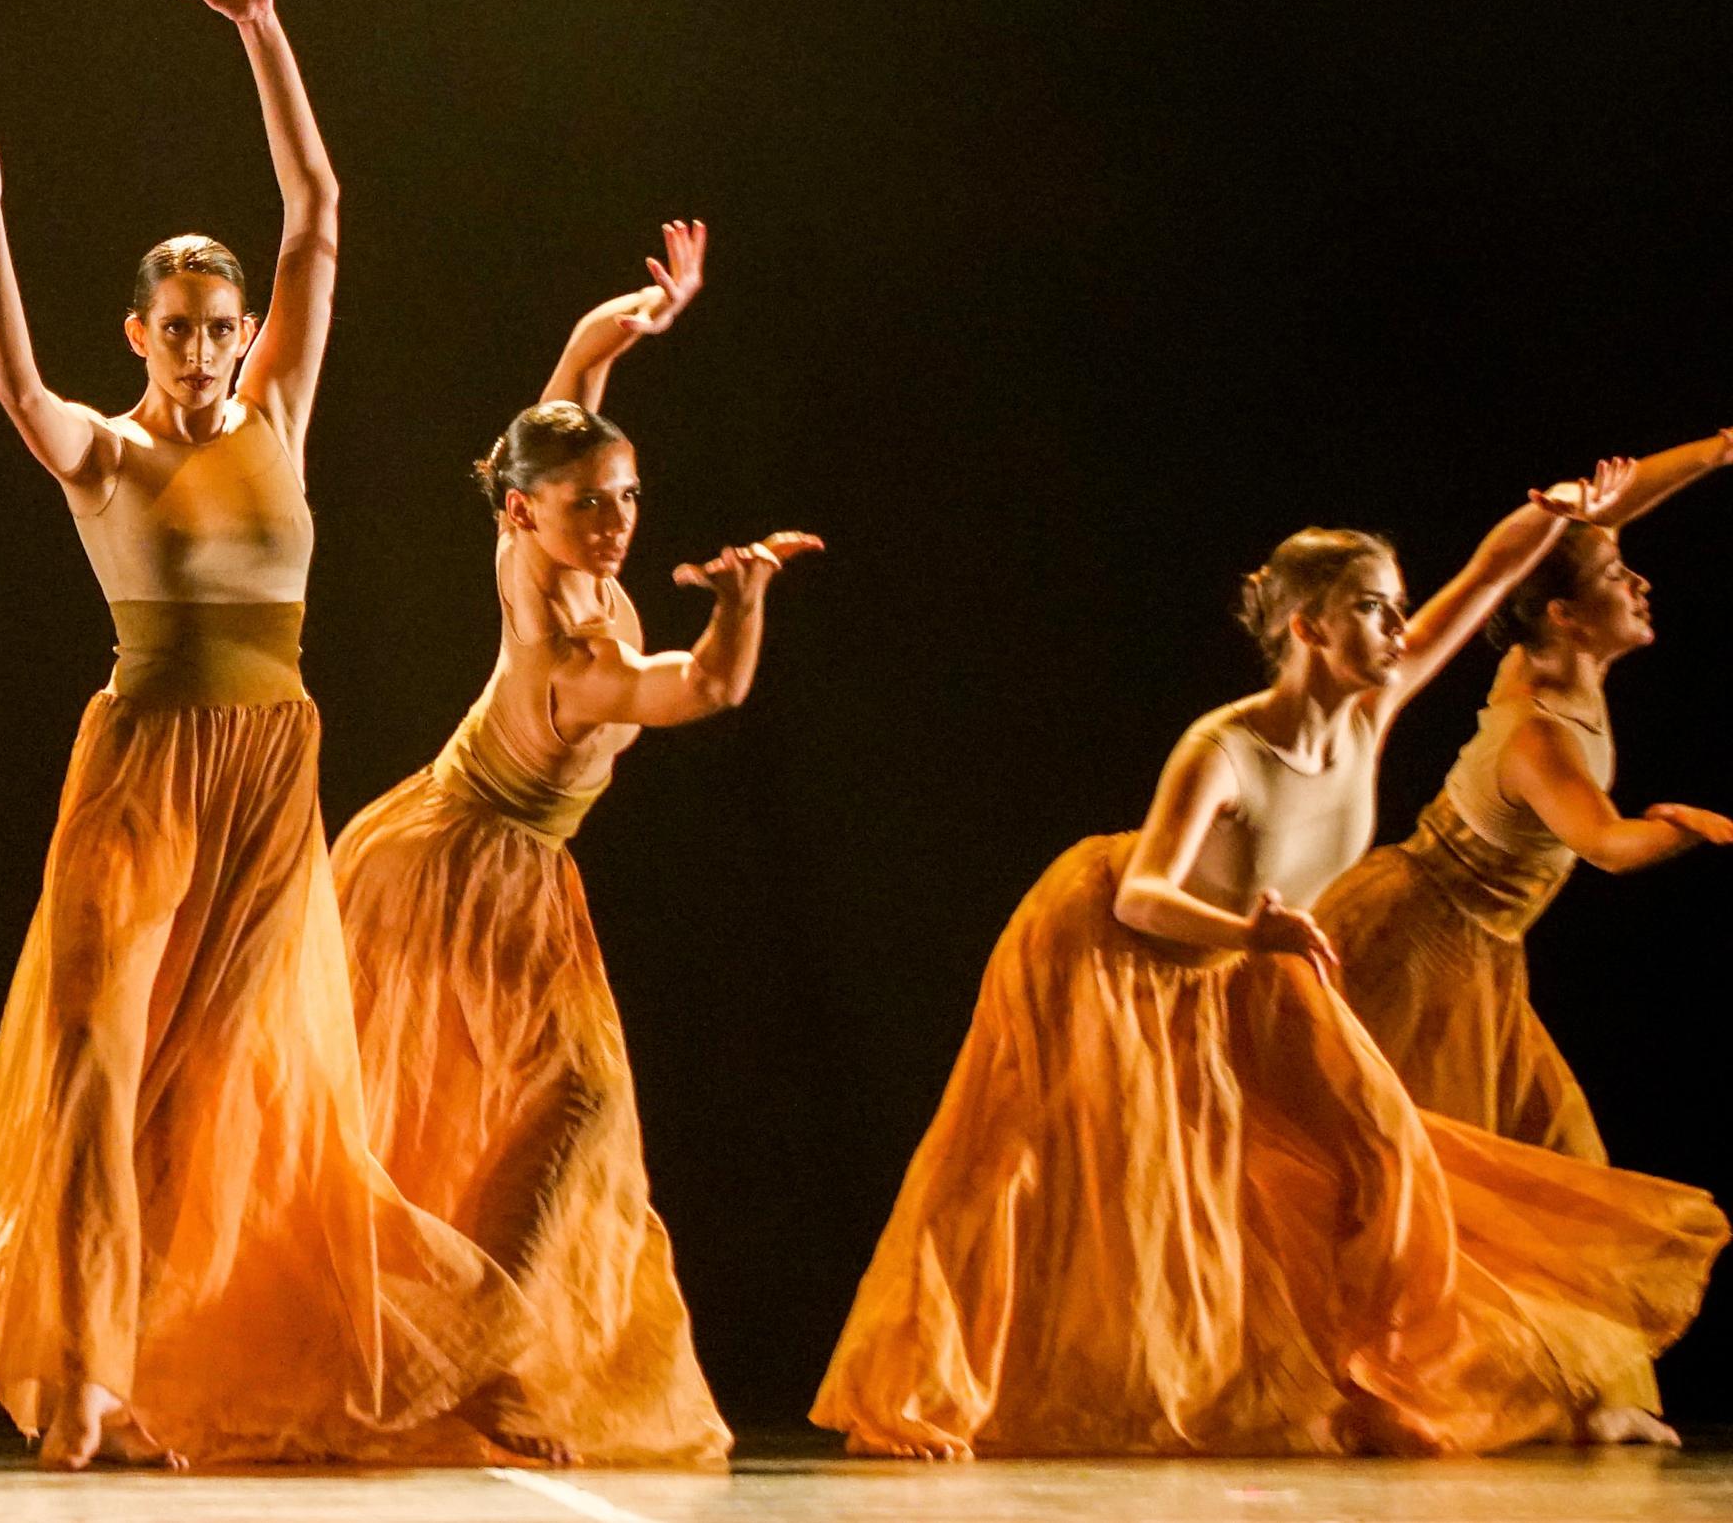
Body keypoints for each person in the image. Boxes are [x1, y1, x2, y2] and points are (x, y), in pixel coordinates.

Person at [0, 0, 515, 1470]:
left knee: (238, 1076)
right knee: (101, 1063)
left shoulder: (279, 411)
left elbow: (314, 207)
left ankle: (186, 1352)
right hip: (143, 760)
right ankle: (90, 1376)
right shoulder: (105, 452)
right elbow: (14, 387)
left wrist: (260, 28)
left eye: (223, 328)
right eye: (179, 329)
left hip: (271, 763)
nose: (206, 350)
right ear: (142, 333)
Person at [817, 461, 1728, 1457]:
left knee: (1383, 1147)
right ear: (1309, 628)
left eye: (1394, 609)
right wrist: (1257, 931)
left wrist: (1551, 513)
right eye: (1372, 611)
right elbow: (1140, 894)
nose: (1396, 629)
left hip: (1252, 951)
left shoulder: (1369, 708)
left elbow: (1480, 577)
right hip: (1109, 948)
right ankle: (915, 1393)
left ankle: (1395, 1381)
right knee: (1024, 1167)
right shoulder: (1224, 747)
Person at [326, 221, 813, 1465]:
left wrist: (624, 325)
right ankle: (466, 1357)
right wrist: (744, 606)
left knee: (500, 1109)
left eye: (627, 498)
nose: (612, 521)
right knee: (563, 1098)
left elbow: (556, 409)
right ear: (523, 512)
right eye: (587, 504)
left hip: (491, 860)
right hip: (453, 869)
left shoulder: (526, 533)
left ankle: (451, 1346)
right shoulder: (570, 651)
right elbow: (697, 691)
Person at [1316, 430, 1733, 1155]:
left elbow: (1577, 530)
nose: (1640, 583)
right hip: (1417, 949)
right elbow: (1609, 845)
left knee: (1564, 1161)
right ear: (1565, 617)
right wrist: (1695, 827)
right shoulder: (1538, 735)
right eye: (1615, 576)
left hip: (1484, 952)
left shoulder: (1548, 652)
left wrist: (1719, 449)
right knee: (1433, 1168)